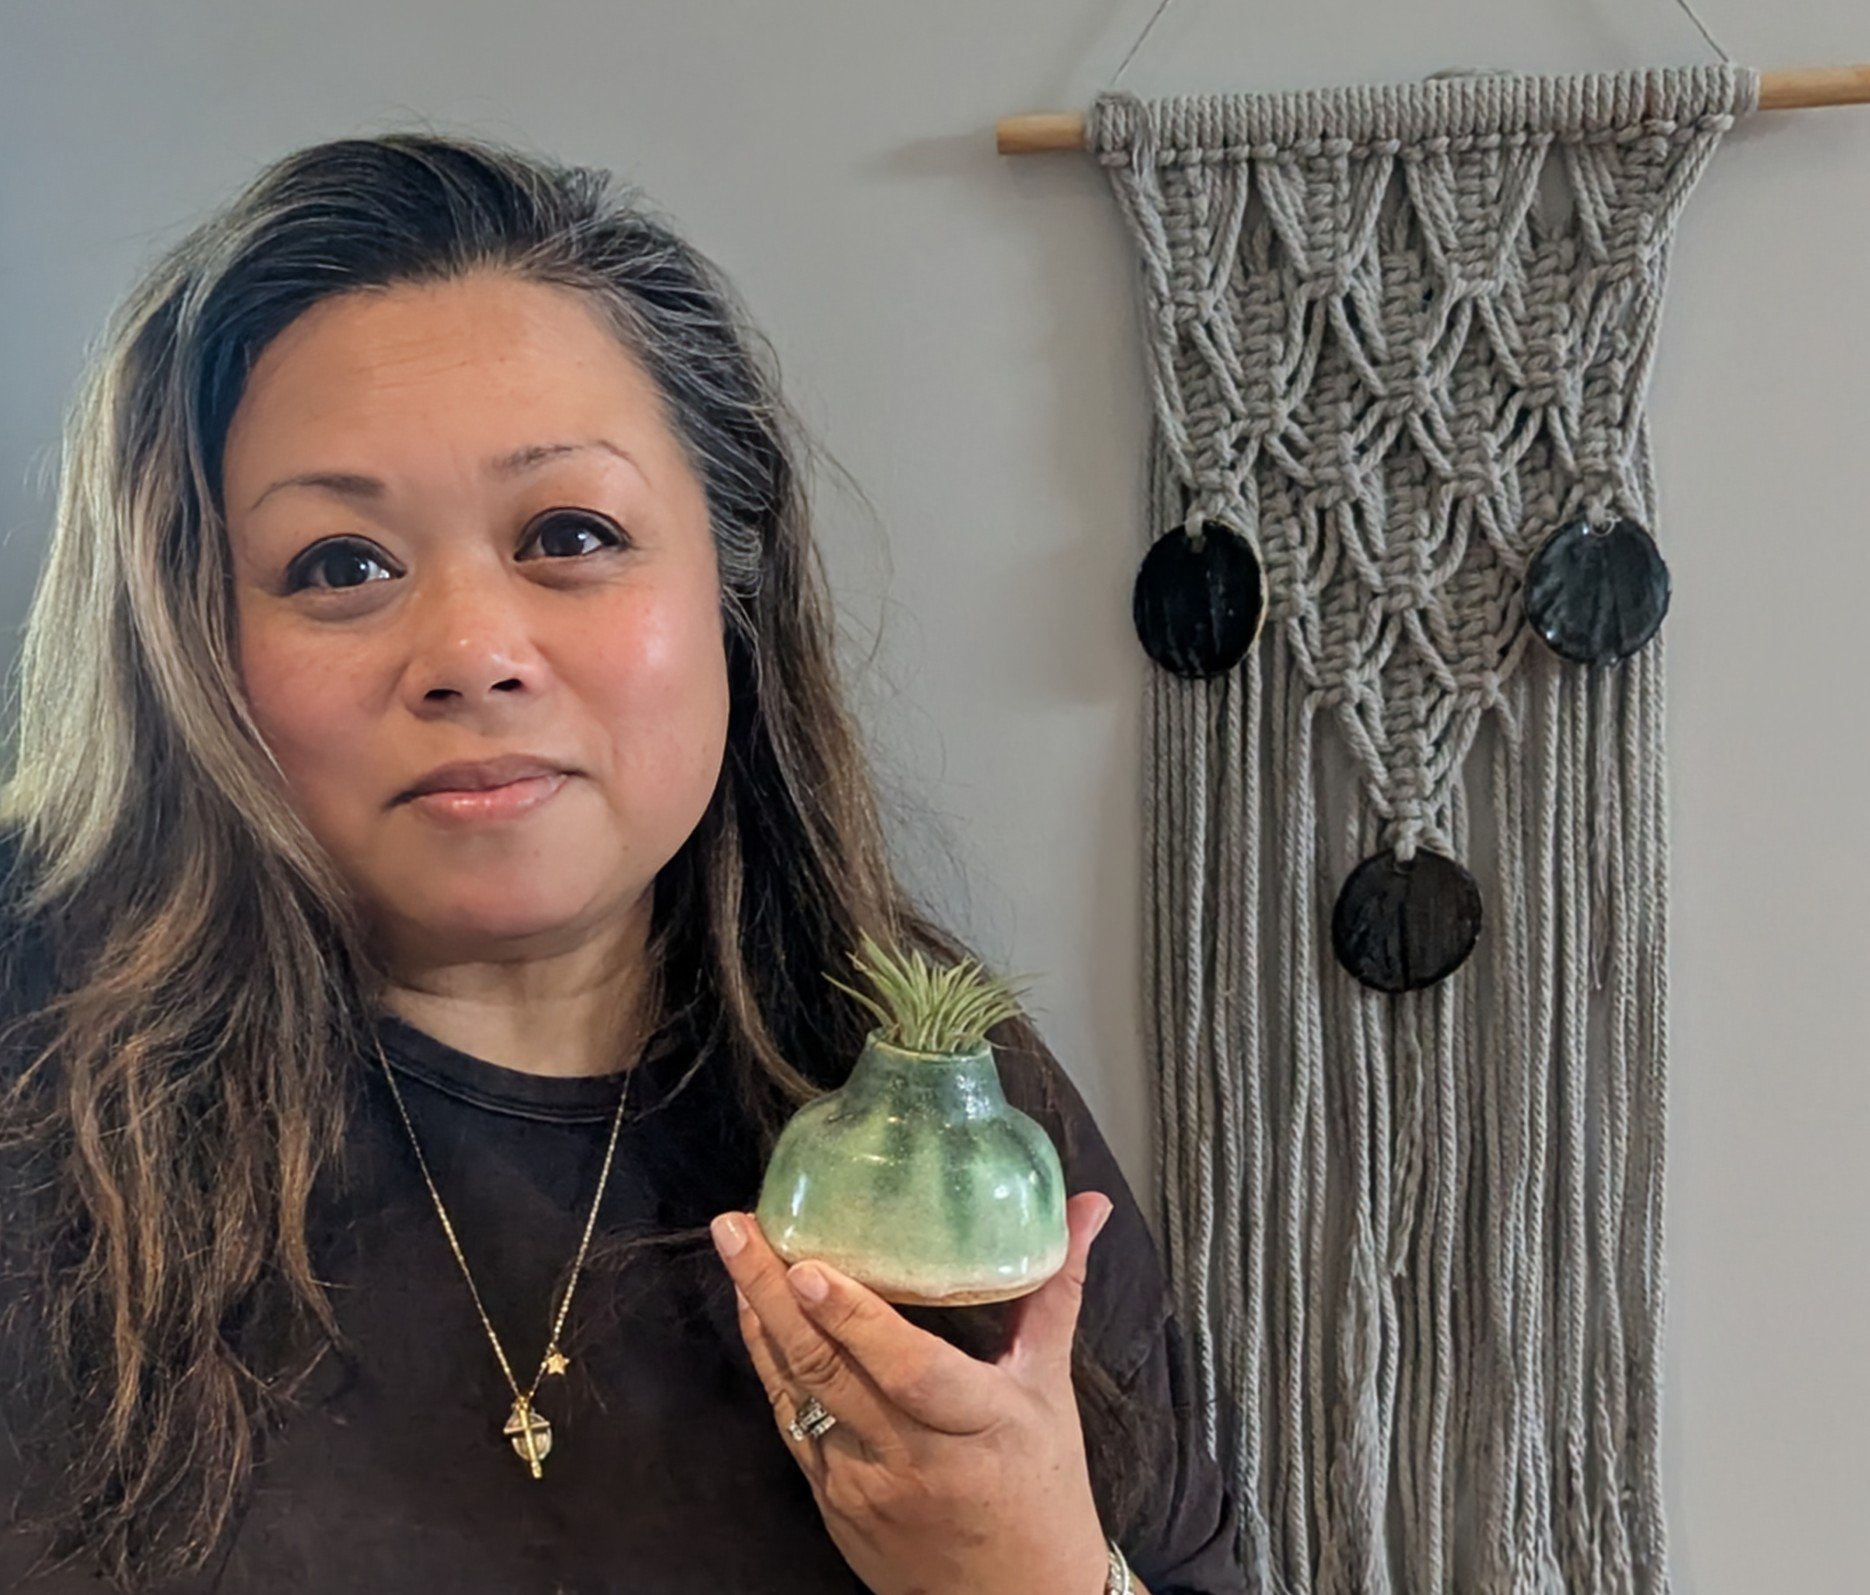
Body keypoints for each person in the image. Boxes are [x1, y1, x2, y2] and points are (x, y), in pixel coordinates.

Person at [0, 131, 1247, 1594]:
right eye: (340, 564)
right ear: (192, 641)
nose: (471, 654)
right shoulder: (36, 1070)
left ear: (730, 581)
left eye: (569, 535)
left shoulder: (928, 1101)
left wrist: (1028, 1574)